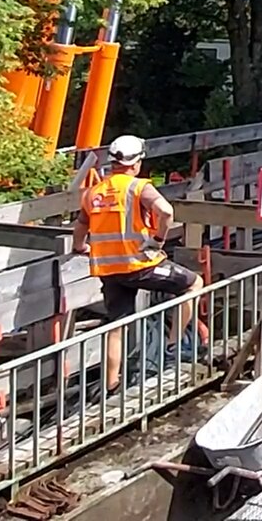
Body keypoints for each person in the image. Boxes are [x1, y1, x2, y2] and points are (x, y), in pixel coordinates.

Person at [74, 134, 204, 393]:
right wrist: (158, 240)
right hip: (140, 264)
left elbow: (80, 228)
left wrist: (81, 247)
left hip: (109, 270)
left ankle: (111, 383)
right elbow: (166, 212)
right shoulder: (138, 187)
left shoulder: (93, 193)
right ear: (136, 163)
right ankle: (172, 345)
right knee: (193, 284)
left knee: (116, 324)